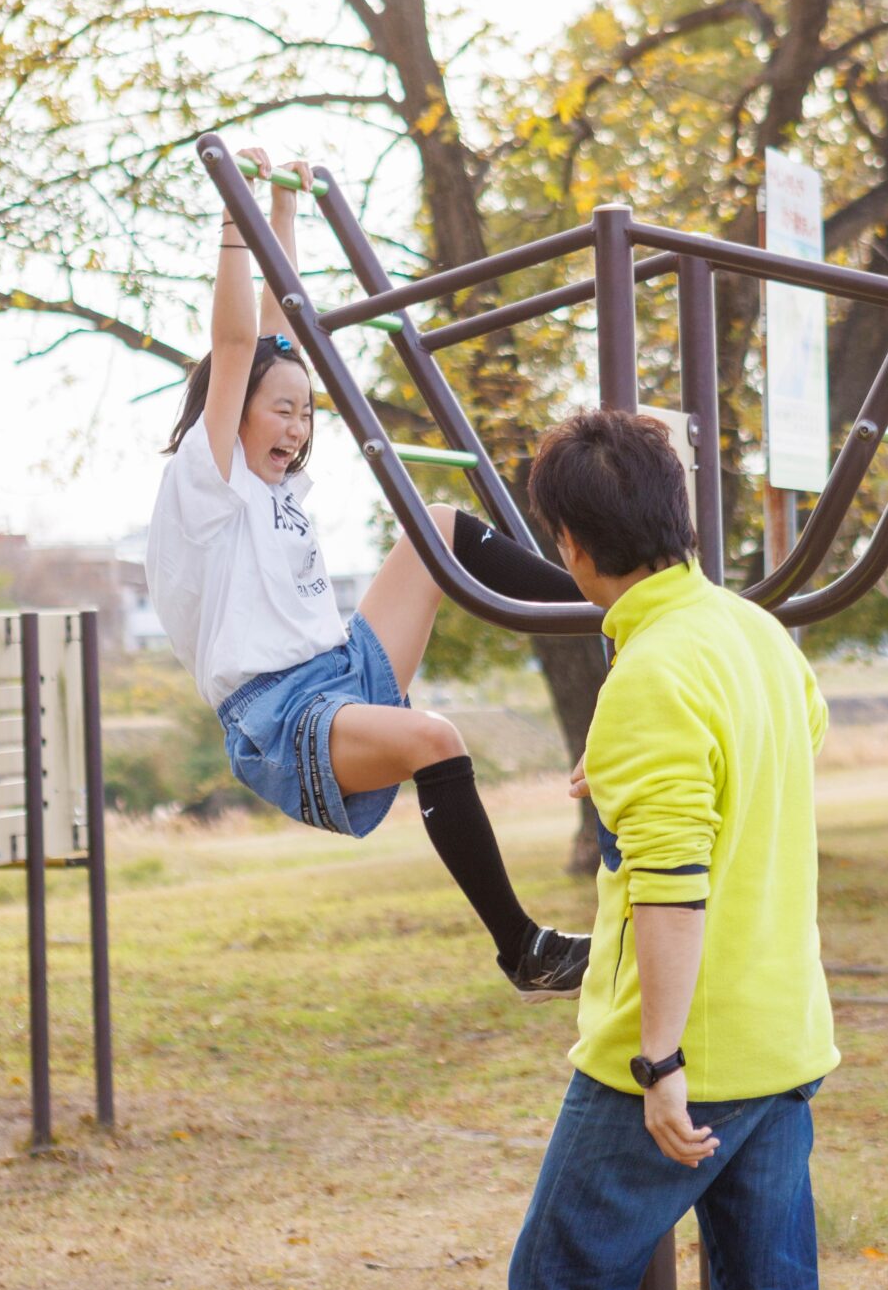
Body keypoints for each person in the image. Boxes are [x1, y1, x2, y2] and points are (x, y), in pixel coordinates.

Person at [146, 146, 590, 1000]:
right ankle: (522, 950)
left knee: (442, 527)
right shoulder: (206, 486)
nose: (298, 429)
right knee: (435, 738)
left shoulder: (275, 481)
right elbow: (238, 339)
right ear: (227, 413)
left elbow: (277, 329)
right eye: (282, 411)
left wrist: (281, 207)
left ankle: (611, 607)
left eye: (306, 414)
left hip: (341, 667)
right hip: (281, 715)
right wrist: (235, 218)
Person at [508, 409, 838, 1290]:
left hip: (685, 1054)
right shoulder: (757, 633)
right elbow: (788, 743)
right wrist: (630, 762)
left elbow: (670, 888)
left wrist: (659, 1064)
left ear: (572, 545)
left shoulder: (651, 672)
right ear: (678, 519)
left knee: (554, 1282)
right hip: (783, 1036)